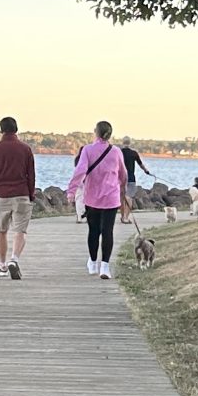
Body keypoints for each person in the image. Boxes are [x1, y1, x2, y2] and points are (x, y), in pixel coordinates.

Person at [66, 120, 129, 279]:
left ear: (96, 132)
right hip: (111, 197)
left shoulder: (87, 150)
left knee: (93, 231)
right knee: (108, 231)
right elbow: (123, 174)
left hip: (92, 197)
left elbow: (80, 171)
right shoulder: (116, 151)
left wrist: (71, 191)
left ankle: (93, 262)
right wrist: (123, 188)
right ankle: (105, 266)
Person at [0, 114, 35, 281]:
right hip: (21, 194)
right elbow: (31, 175)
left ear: (1, 130)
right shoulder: (26, 149)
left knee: (1, 231)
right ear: (16, 129)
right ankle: (14, 259)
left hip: (2, 194)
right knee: (20, 230)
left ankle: (2, 265)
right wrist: (31, 194)